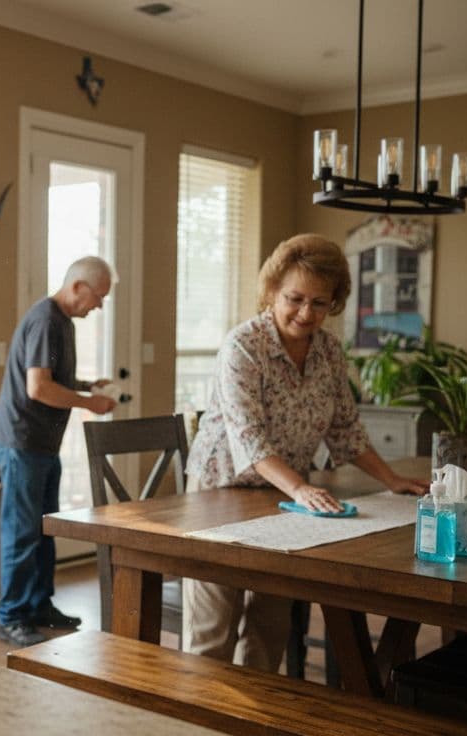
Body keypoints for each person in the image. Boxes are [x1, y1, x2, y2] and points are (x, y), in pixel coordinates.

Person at [183, 233, 428, 671]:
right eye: (294, 298)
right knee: (214, 627)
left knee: (271, 622)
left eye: (320, 302)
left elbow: (345, 430)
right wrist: (300, 488)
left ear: (334, 302)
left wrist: (391, 480)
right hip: (220, 492)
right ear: (272, 291)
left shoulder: (330, 352)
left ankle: (254, 721)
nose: (305, 313)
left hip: (284, 498)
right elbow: (249, 438)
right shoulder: (243, 346)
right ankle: (201, 728)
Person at [0, 256, 119, 647]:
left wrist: (86, 384)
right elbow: (38, 388)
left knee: (44, 529)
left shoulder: (60, 321)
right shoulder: (46, 319)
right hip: (22, 442)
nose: (98, 306)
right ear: (77, 286)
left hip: (41, 444)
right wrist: (88, 403)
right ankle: (11, 617)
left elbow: (50, 377)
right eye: (98, 297)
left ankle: (39, 605)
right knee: (23, 532)